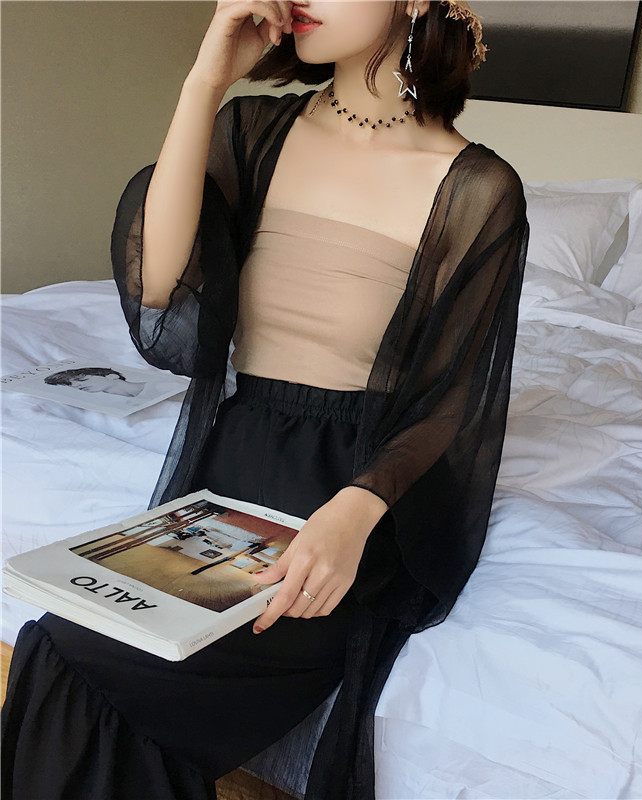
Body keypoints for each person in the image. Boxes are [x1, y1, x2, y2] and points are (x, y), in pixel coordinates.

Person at [1, 1, 529, 798]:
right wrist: (203, 82)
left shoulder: (477, 186)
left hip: (359, 493)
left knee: (100, 677)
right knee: (63, 645)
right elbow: (157, 288)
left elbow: (448, 402)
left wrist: (355, 514)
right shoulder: (253, 131)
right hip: (232, 462)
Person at [43, 366, 146, 397]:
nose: (76, 385)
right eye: (70, 384)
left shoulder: (149, 387)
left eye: (82, 379)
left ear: (112, 376)